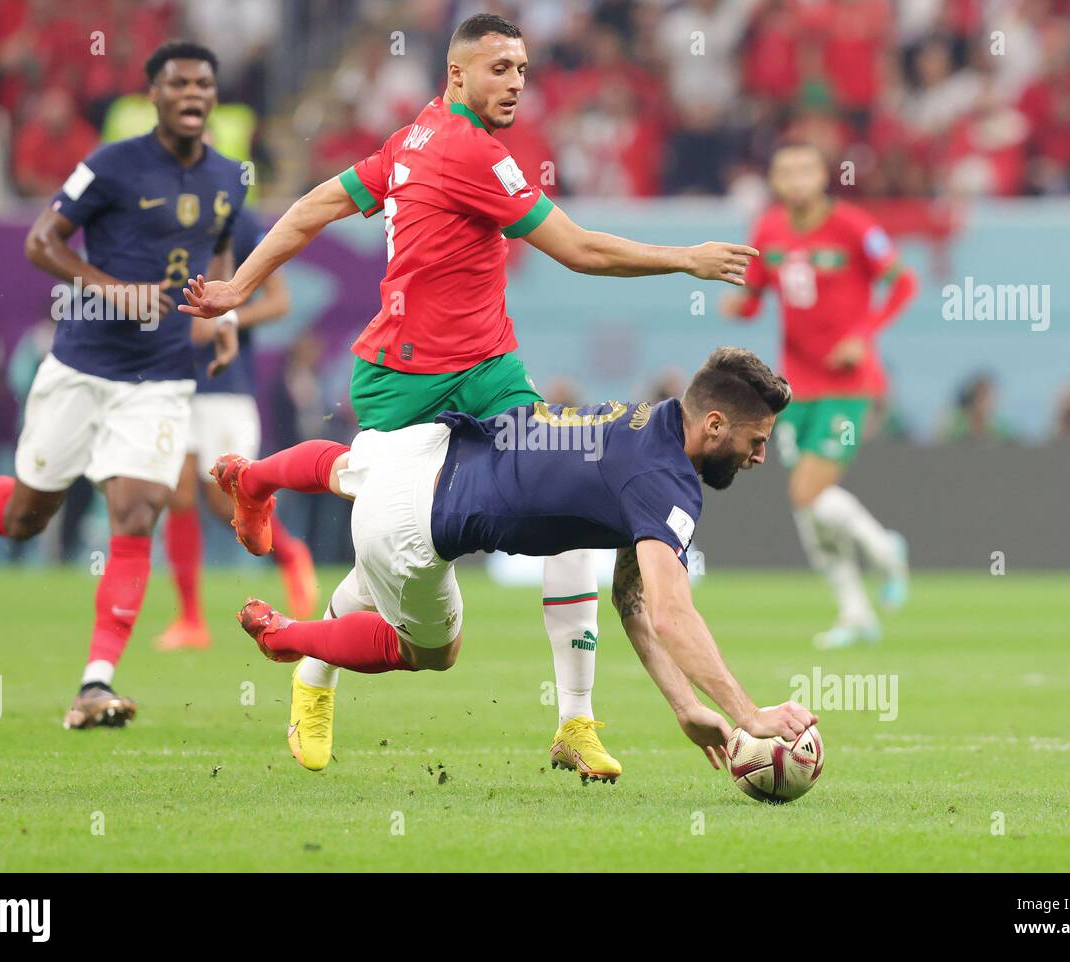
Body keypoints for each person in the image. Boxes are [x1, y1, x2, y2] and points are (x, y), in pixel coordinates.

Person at [178, 13, 759, 780]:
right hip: (404, 377)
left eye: (521, 68)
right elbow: (579, 250)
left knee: (576, 490)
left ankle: (576, 722)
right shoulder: (467, 152)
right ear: (456, 75)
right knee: (370, 486)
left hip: (486, 371)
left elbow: (319, 203)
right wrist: (685, 258)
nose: (515, 82)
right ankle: (261, 505)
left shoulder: (414, 136)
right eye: (498, 69)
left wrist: (237, 286)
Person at [219, 347, 817, 778]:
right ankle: (290, 639)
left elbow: (631, 598)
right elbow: (670, 612)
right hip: (413, 525)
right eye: (756, 441)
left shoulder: (650, 420)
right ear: (714, 425)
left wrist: (687, 707)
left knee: (350, 466)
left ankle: (256, 476)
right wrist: (748, 715)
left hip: (431, 445)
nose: (760, 456)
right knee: (431, 652)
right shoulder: (665, 484)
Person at [0, 41, 245, 729]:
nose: (193, 95)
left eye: (204, 86)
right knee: (24, 519)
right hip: (81, 365)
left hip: (159, 376)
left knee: (138, 511)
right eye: (178, 84)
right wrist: (111, 290)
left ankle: (95, 684)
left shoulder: (228, 177)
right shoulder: (110, 166)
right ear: (152, 95)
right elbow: (41, 240)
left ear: (214, 97)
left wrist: (225, 314)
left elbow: (220, 249)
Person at [722, 142, 915, 650]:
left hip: (849, 385)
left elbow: (902, 283)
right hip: (795, 387)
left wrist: (863, 335)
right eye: (785, 170)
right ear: (777, 181)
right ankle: (855, 613)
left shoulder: (853, 226)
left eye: (805, 168)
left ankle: (884, 549)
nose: (796, 178)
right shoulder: (768, 229)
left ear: (823, 176)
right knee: (808, 510)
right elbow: (755, 297)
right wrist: (735, 304)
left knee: (806, 492)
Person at [154, 206, 319, 651]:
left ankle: (289, 555)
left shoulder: (237, 222)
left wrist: (223, 318)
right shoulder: (156, 218)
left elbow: (279, 301)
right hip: (171, 380)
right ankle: (190, 620)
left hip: (225, 381)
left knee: (222, 495)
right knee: (178, 492)